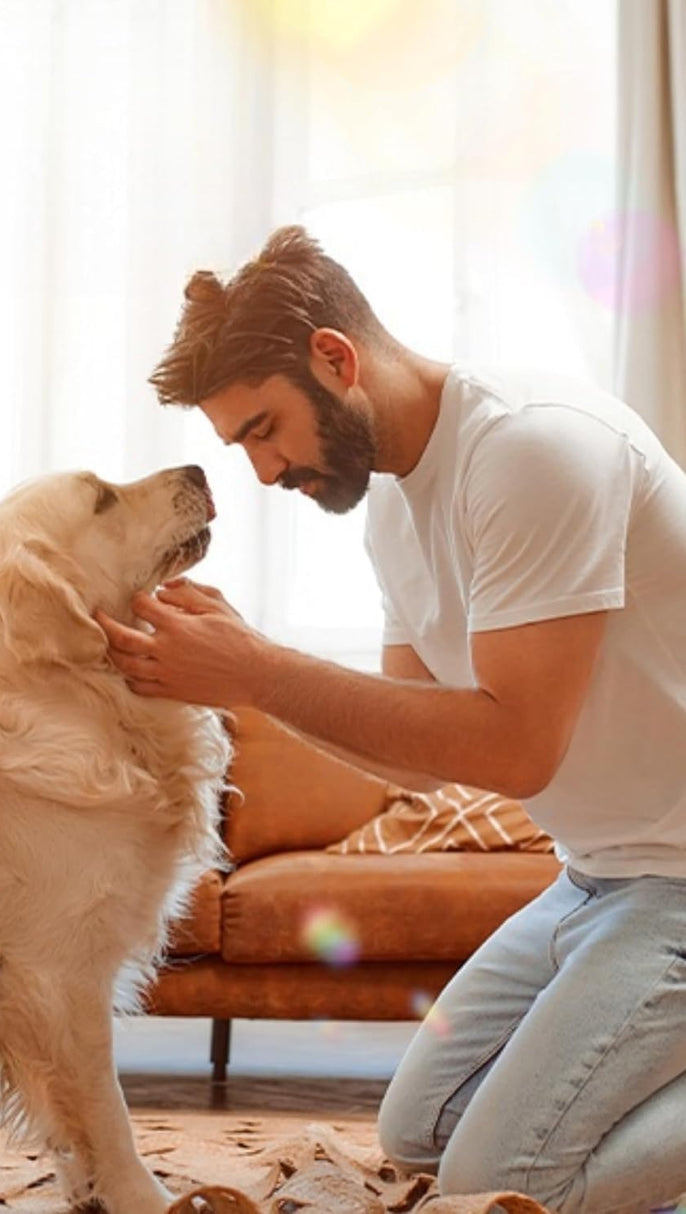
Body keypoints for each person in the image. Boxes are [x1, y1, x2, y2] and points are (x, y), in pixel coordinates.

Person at [94, 224, 686, 1214]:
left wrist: (259, 667)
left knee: (505, 1181)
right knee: (418, 1130)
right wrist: (245, 679)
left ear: (335, 358)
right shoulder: (392, 510)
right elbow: (415, 762)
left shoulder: (532, 450)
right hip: (595, 877)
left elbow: (515, 749)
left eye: (264, 430)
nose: (263, 471)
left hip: (677, 879)